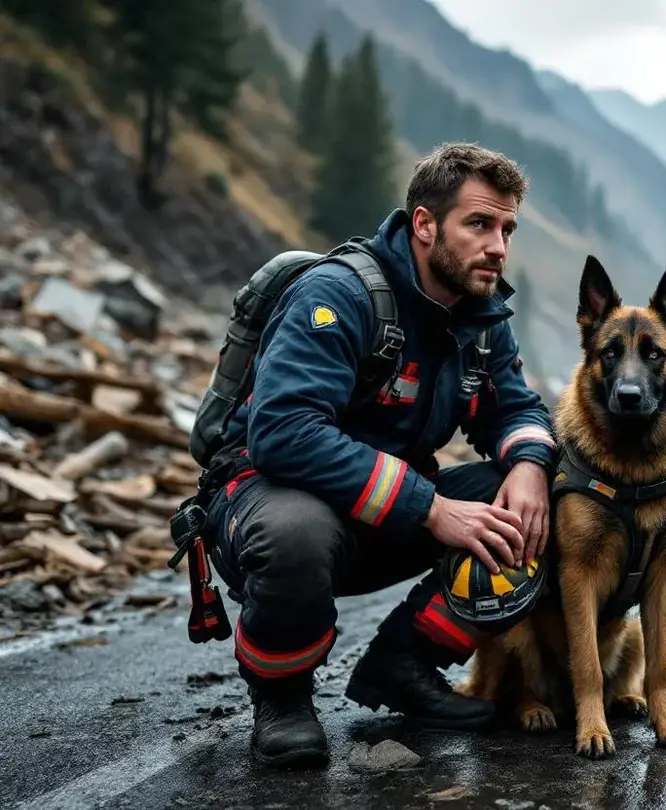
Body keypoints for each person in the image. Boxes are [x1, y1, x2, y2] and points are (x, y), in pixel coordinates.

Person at [200, 142, 558, 767]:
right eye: (479, 224)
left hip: (382, 512)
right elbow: (283, 431)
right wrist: (431, 508)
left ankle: (404, 661)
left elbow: (515, 408)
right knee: (296, 533)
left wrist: (529, 466)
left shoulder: (479, 315)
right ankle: (282, 697)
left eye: (506, 228)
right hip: (265, 501)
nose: (498, 246)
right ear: (424, 224)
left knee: (547, 499)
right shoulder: (339, 295)